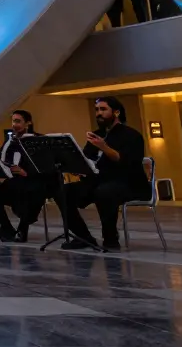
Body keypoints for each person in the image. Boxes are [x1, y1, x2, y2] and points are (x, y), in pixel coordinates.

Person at [62, 96, 150, 252]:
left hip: (129, 182)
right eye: (97, 110)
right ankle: (84, 237)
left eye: (103, 109)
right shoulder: (96, 135)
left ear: (116, 112)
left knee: (104, 192)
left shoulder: (132, 135)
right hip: (98, 180)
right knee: (63, 192)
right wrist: (78, 167)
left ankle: (110, 239)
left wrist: (104, 147)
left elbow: (128, 163)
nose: (98, 113)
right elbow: (86, 159)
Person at [0, 110, 49, 242]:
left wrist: (26, 172)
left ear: (28, 123)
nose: (14, 124)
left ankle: (23, 229)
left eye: (18, 121)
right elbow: (3, 158)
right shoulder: (10, 141)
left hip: (33, 181)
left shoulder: (38, 140)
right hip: (14, 181)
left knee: (31, 191)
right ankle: (6, 228)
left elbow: (46, 165)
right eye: (13, 121)